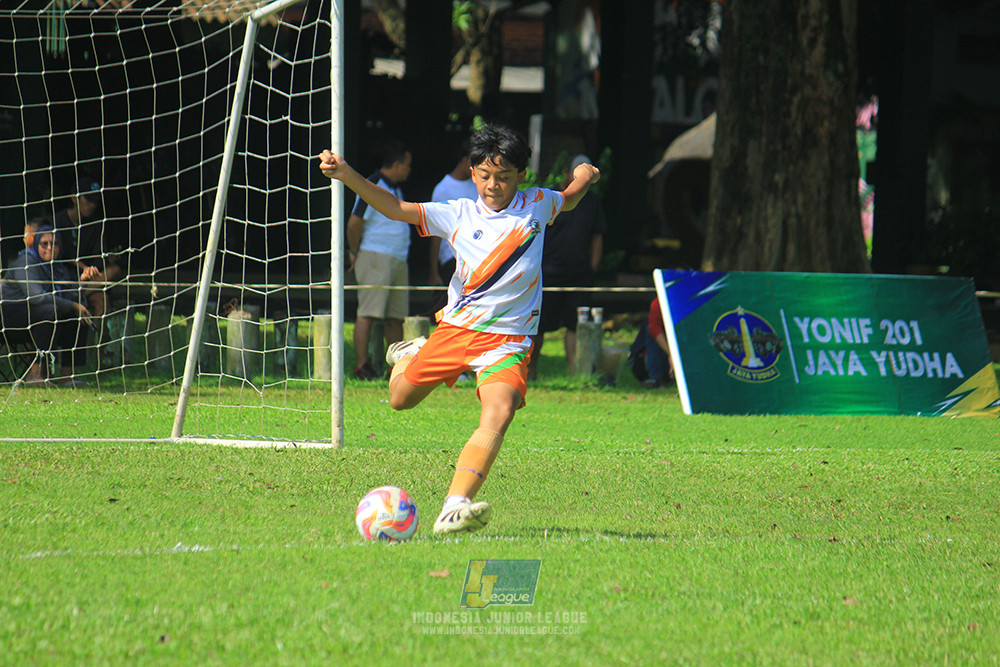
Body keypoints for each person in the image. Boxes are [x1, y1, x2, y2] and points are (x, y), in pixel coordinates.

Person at [318, 124, 600, 535]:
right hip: (457, 331)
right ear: (472, 173)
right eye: (484, 176)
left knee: (500, 411)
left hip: (509, 340)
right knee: (399, 399)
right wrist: (346, 174)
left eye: (503, 177)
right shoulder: (458, 212)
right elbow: (396, 208)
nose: (493, 185)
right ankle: (411, 353)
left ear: (521, 176)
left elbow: (570, 197)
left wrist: (584, 175)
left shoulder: (538, 203)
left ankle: (454, 505)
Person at [528, 154, 606, 379]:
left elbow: (597, 235)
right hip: (547, 271)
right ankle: (530, 370)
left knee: (575, 325)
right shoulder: (550, 198)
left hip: (579, 272)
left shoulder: (592, 201)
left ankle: (576, 372)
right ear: (566, 173)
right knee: (539, 325)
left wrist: (592, 267)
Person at [347, 141, 413, 380]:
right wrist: (354, 252)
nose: (409, 170)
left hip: (397, 259)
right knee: (368, 313)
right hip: (375, 256)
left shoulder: (395, 189)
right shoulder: (372, 184)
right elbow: (354, 224)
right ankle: (362, 366)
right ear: (397, 164)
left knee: (396, 317)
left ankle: (396, 367)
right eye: (407, 165)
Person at [0, 224, 94, 386]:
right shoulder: (26, 262)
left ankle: (67, 375)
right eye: (45, 243)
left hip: (41, 319)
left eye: (55, 243)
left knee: (76, 316)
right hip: (10, 319)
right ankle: (35, 374)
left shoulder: (58, 268)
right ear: (36, 244)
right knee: (50, 311)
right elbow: (37, 297)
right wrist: (73, 305)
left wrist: (81, 284)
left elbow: (68, 296)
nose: (50, 248)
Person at [427, 140, 478, 289]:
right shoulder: (443, 189)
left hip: (475, 255)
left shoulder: (478, 186)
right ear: (465, 160)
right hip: (451, 258)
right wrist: (434, 272)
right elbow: (435, 234)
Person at [627, 297, 674, 388]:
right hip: (641, 363)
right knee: (651, 332)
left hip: (670, 362)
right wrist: (672, 354)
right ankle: (655, 378)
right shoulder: (659, 303)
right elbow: (654, 330)